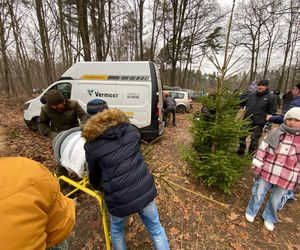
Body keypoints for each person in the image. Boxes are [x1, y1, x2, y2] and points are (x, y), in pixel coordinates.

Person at [82, 108, 169, 250]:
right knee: (156, 228)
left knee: (116, 231)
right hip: (144, 189)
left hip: (119, 198)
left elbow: (94, 173)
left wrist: (98, 187)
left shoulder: (91, 146)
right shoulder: (130, 131)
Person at [0, 128, 76, 249]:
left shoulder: (29, 172)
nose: (59, 107)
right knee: (61, 169)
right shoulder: (29, 171)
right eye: (55, 106)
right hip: (60, 137)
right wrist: (53, 133)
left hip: (68, 134)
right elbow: (42, 125)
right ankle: (64, 187)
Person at [245, 107, 300, 231]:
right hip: (268, 171)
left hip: (287, 176)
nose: (292, 122)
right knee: (259, 193)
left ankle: (269, 217)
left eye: (296, 120)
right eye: (289, 119)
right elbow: (263, 148)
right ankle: (251, 210)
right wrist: (258, 165)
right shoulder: (276, 133)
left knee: (277, 199)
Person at [237, 79, 277, 155]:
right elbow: (240, 102)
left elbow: (272, 112)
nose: (260, 87)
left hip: (259, 122)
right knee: (241, 136)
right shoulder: (251, 95)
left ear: (266, 87)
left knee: (254, 139)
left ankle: (251, 154)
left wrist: (268, 123)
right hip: (247, 120)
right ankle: (241, 150)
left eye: (262, 85)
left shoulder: (271, 97)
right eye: (259, 85)